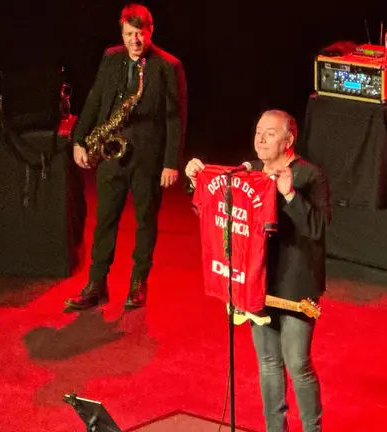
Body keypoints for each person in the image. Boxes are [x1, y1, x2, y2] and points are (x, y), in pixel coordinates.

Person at [185, 110, 329, 432]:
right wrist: (197, 179)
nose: (260, 139)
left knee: (298, 364)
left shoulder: (309, 176)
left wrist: (290, 195)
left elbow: (318, 228)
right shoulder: (248, 175)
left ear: (288, 140)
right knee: (268, 363)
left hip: (295, 286)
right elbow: (220, 210)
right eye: (258, 132)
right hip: (256, 281)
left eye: (269, 133)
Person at [65, 3, 187, 311]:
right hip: (111, 152)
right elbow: (94, 99)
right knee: (105, 220)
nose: (135, 40)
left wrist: (171, 162)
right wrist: (79, 139)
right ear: (122, 33)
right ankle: (96, 284)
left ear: (150, 31)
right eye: (129, 34)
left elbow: (175, 117)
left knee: (146, 221)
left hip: (148, 156)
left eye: (140, 34)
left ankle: (138, 283)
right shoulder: (111, 58)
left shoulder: (168, 66)